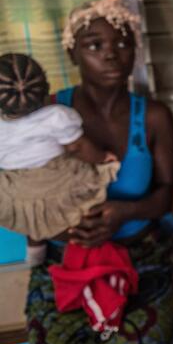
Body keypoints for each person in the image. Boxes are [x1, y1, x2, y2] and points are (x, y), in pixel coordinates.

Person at [25, 0, 173, 344]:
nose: (111, 54)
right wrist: (67, 225)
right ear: (72, 54)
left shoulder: (153, 117)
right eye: (94, 45)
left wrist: (125, 212)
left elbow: (168, 192)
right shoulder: (49, 114)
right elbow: (26, 193)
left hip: (142, 259)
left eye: (123, 44)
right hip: (62, 261)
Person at [0, 53, 119, 266]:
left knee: (31, 215)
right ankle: (80, 254)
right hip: (57, 183)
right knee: (72, 212)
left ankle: (35, 253)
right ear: (46, 86)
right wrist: (103, 157)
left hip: (17, 191)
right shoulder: (57, 116)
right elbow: (78, 147)